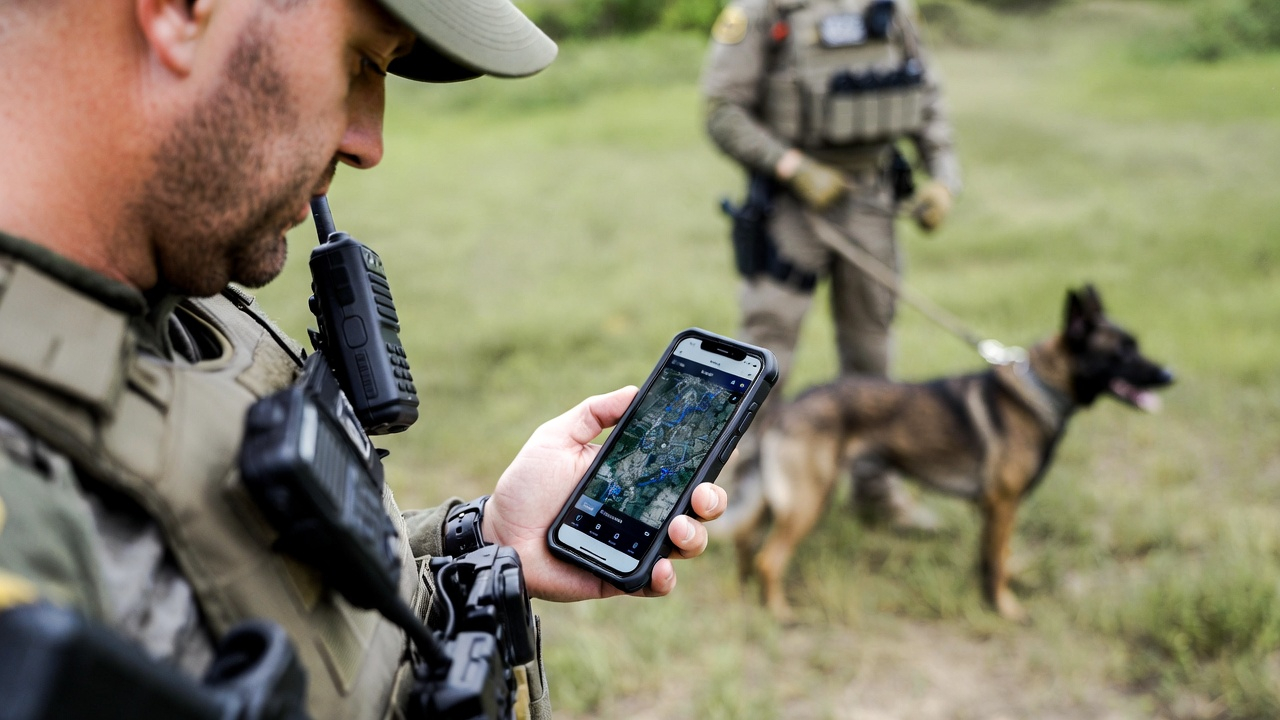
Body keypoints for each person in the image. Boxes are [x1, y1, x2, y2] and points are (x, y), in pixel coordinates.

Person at [0, 0, 728, 718]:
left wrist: (479, 538)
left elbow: (239, 580)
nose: (367, 142)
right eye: (361, 62)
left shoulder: (182, 299)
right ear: (182, 12)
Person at [700, 0, 961, 528]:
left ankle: (876, 488)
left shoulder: (891, 7)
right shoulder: (761, 10)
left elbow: (927, 96)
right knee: (764, 357)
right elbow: (721, 109)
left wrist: (942, 179)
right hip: (791, 211)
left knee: (873, 352)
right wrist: (792, 168)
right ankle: (743, 496)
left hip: (872, 202)